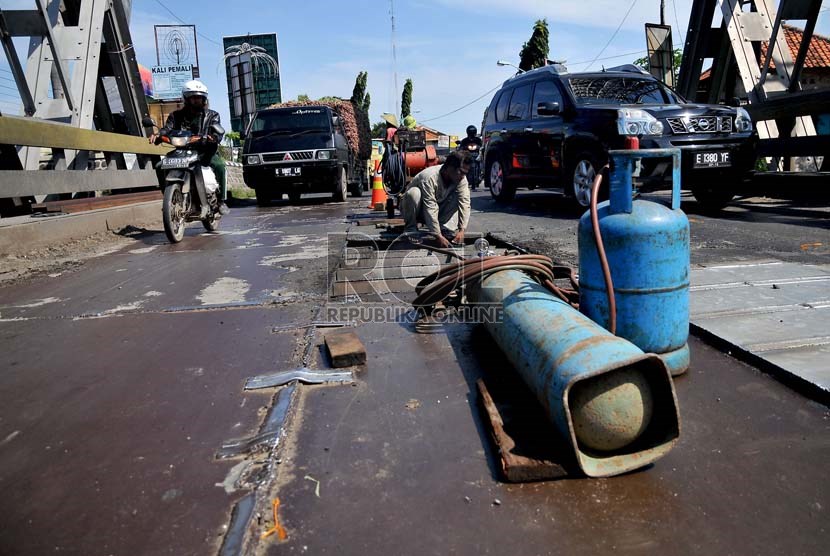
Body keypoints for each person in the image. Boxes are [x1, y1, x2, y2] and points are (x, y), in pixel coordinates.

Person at [149, 80, 229, 215]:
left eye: (199, 97)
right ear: (186, 98)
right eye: (193, 97)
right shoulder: (175, 116)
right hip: (182, 151)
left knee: (220, 165)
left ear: (204, 99)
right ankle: (169, 199)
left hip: (204, 151)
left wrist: (213, 138)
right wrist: (158, 135)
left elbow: (217, 131)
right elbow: (167, 129)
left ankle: (221, 201)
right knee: (159, 166)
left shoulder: (212, 115)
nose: (197, 100)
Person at [401, 150, 471, 248]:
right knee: (414, 193)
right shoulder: (429, 177)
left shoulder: (461, 179)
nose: (462, 176)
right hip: (417, 210)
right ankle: (410, 228)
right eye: (461, 172)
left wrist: (462, 230)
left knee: (460, 196)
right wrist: (437, 235)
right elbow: (430, 207)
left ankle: (443, 226)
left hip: (436, 211)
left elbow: (465, 203)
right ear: (450, 168)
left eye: (465, 173)